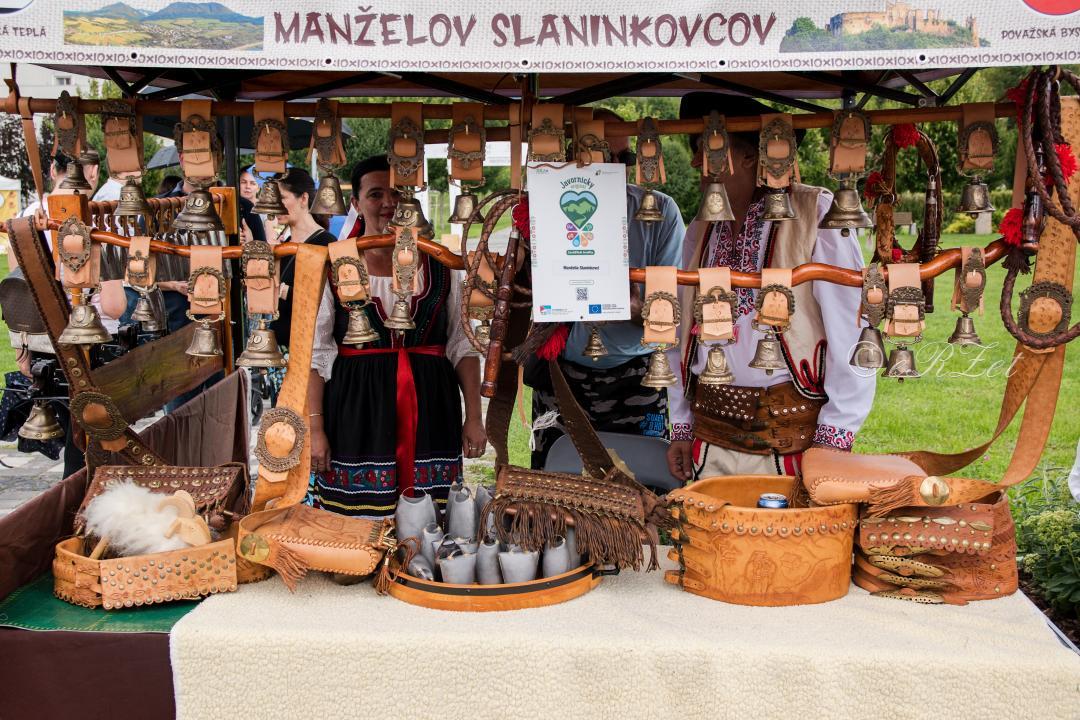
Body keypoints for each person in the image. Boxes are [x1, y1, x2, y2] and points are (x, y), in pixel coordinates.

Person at [665, 94, 875, 482]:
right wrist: (680, 426)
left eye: (705, 150)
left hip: (791, 443)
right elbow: (679, 336)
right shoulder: (701, 227)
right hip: (709, 439)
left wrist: (834, 437)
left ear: (750, 156)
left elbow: (851, 331)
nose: (696, 163)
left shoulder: (817, 213)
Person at [305, 155, 486, 518]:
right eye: (375, 194)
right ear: (356, 203)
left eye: (397, 194)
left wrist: (474, 418)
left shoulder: (442, 265)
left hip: (431, 404)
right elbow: (317, 354)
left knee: (431, 527)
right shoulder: (333, 264)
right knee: (355, 531)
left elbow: (462, 346)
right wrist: (316, 429)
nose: (388, 203)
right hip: (356, 408)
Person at [529, 107, 685, 470]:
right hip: (562, 373)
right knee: (557, 486)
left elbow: (674, 313)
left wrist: (631, 305)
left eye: (624, 158)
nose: (615, 168)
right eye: (602, 158)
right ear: (572, 157)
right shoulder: (541, 209)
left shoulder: (661, 212)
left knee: (641, 485)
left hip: (637, 375)